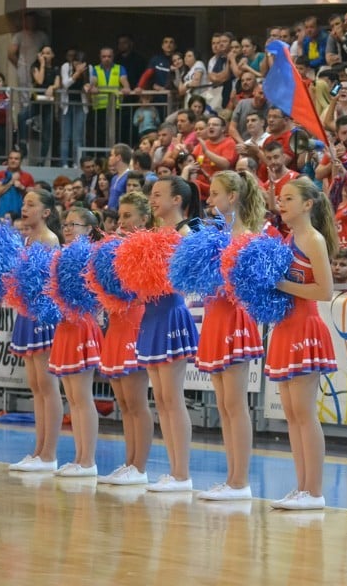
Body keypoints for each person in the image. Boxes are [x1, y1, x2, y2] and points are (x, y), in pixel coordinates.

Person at [194, 170, 267, 501]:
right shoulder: (215, 236)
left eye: (215, 194)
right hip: (214, 317)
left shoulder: (247, 237)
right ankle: (231, 478)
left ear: (233, 197)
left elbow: (254, 287)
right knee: (223, 405)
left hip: (235, 319)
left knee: (235, 404)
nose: (210, 200)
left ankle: (241, 482)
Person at [266, 178, 338, 510]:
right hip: (284, 326)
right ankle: (301, 487)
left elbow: (324, 291)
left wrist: (279, 284)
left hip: (306, 325)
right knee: (291, 414)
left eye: (289, 198)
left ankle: (315, 490)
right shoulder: (285, 239)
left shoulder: (313, 239)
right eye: (280, 198)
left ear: (308, 204)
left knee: (305, 413)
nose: (281, 203)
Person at [140, 176, 202, 492]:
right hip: (150, 314)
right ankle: (173, 471)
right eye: (151, 195)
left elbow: (186, 282)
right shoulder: (153, 234)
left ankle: (182, 474)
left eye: (158, 194)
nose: (152, 199)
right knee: (160, 398)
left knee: (173, 397)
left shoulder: (185, 234)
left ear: (177, 200)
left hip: (171, 313)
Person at [96, 191, 151, 485]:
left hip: (136, 323)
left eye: (128, 216)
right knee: (124, 403)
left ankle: (139, 467)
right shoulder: (114, 247)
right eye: (120, 217)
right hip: (115, 325)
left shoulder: (147, 248)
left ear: (144, 218)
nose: (122, 222)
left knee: (136, 402)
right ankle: (129, 462)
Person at [44, 207, 104, 477]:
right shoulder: (61, 255)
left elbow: (97, 297)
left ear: (89, 230)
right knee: (72, 398)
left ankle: (88, 461)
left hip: (82, 325)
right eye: (65, 224)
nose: (67, 228)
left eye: (74, 224)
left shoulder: (92, 257)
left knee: (81, 396)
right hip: (64, 327)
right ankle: (79, 457)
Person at [8, 189, 63, 473]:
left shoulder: (49, 240)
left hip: (43, 314)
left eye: (32, 204)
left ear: (46, 212)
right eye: (24, 203)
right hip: (26, 313)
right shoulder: (25, 240)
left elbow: (49, 283)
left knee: (47, 385)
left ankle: (49, 453)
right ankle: (38, 450)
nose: (24, 208)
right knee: (35, 386)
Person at [0, 148, 35, 220]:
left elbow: (33, 197)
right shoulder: (0, 174)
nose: (13, 160)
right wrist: (11, 181)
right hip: (2, 214)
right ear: (8, 160)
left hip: (21, 215)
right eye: (11, 158)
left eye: (16, 159)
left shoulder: (28, 176)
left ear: (21, 161)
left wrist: (22, 188)